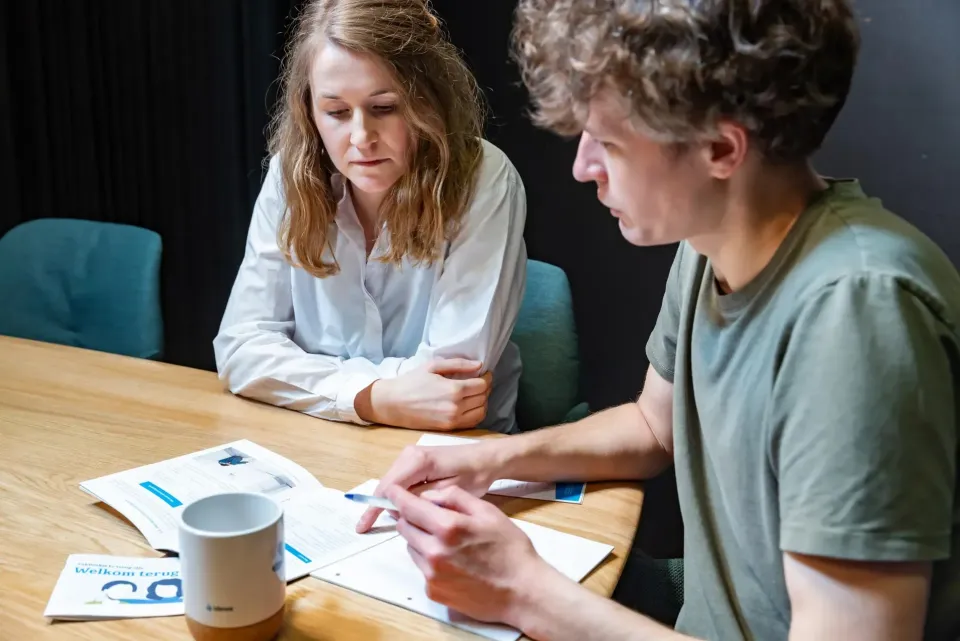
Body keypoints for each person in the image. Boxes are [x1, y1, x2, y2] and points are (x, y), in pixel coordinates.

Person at [356, 1, 960, 639]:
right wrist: (490, 460)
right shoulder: (708, 238)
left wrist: (524, 592)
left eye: (609, 142)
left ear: (720, 149)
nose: (582, 166)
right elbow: (653, 427)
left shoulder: (859, 318)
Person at [213, 0, 527, 434]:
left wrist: (305, 379)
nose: (361, 138)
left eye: (384, 107)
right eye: (337, 113)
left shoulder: (484, 179)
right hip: (318, 438)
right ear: (310, 112)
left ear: (428, 101)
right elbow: (240, 348)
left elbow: (452, 383)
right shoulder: (291, 175)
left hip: (451, 452)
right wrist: (370, 398)